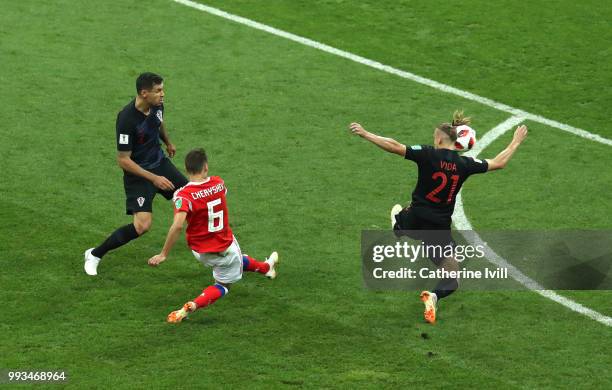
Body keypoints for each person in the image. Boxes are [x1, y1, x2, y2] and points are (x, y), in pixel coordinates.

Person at [349, 111, 528, 323]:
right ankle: (434, 296)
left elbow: (395, 146)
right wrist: (515, 142)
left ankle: (399, 224)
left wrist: (366, 133)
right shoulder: (465, 164)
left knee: (401, 212)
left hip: (415, 217)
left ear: (439, 139)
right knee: (452, 279)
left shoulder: (427, 154)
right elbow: (499, 162)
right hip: (438, 227)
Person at [148, 148, 279, 323]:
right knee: (224, 285)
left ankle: (266, 268)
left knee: (238, 259)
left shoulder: (182, 195)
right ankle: (193, 305)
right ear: (206, 167)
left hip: (200, 251)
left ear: (186, 169)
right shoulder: (219, 183)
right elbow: (216, 197)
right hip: (223, 247)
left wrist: (163, 254)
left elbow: (178, 225)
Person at [84, 72, 188, 276]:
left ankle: (214, 246)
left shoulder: (157, 105)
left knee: (192, 197)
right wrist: (154, 179)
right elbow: (123, 160)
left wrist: (167, 141)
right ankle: (95, 254)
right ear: (144, 93)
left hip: (159, 164)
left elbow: (159, 122)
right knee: (142, 226)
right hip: (138, 174)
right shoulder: (126, 119)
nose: (163, 94)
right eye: (158, 91)